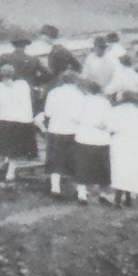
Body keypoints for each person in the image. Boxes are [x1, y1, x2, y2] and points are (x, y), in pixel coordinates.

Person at [0, 62, 37, 183]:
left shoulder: (2, 88)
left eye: (6, 76)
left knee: (13, 150)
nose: (6, 79)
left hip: (13, 122)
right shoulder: (22, 85)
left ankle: (10, 173)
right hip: (18, 122)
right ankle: (8, 165)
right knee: (13, 149)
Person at [38, 69, 85, 198]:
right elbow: (81, 115)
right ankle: (80, 191)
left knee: (56, 159)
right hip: (73, 131)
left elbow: (48, 112)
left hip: (56, 129)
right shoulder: (79, 95)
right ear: (75, 81)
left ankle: (55, 187)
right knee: (75, 160)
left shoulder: (53, 93)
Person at [72, 79, 114, 204]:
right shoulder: (105, 103)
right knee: (102, 167)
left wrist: (85, 123)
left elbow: (75, 118)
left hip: (84, 138)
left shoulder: (81, 101)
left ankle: (82, 194)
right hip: (101, 139)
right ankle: (103, 194)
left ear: (86, 90)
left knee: (83, 166)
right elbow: (109, 122)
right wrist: (103, 126)